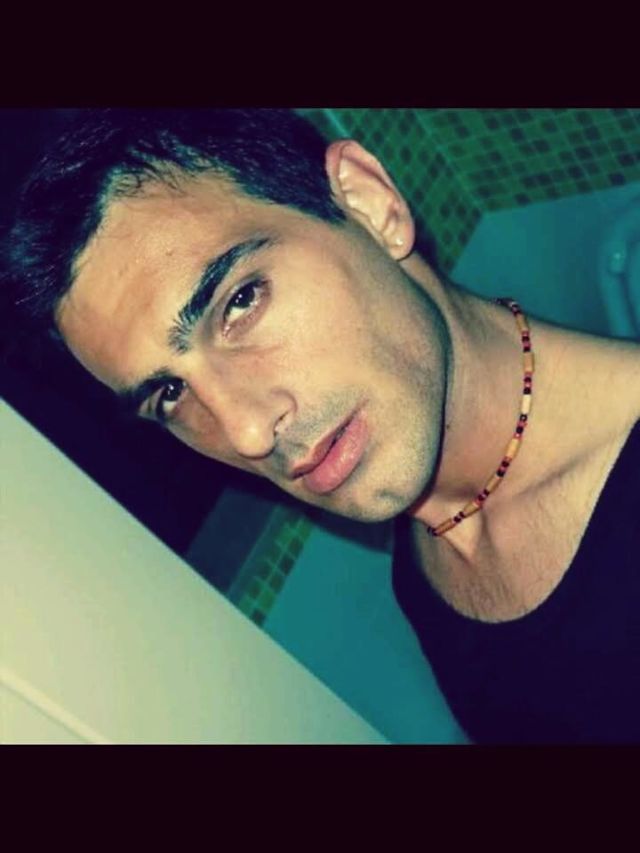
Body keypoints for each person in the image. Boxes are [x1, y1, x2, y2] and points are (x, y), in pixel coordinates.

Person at [3, 109, 640, 743]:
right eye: (170, 393)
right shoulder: (424, 558)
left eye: (239, 303)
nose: (247, 433)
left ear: (369, 204)